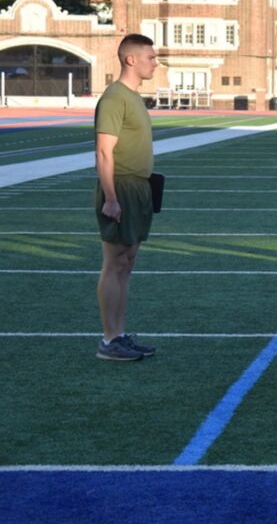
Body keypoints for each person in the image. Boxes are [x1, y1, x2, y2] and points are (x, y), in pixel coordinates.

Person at [94, 34, 159, 361]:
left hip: (139, 187)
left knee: (127, 262)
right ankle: (109, 339)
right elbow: (104, 152)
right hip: (120, 187)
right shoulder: (115, 97)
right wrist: (110, 197)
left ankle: (119, 334)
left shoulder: (132, 97)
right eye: (150, 57)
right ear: (130, 59)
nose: (155, 63)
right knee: (114, 262)